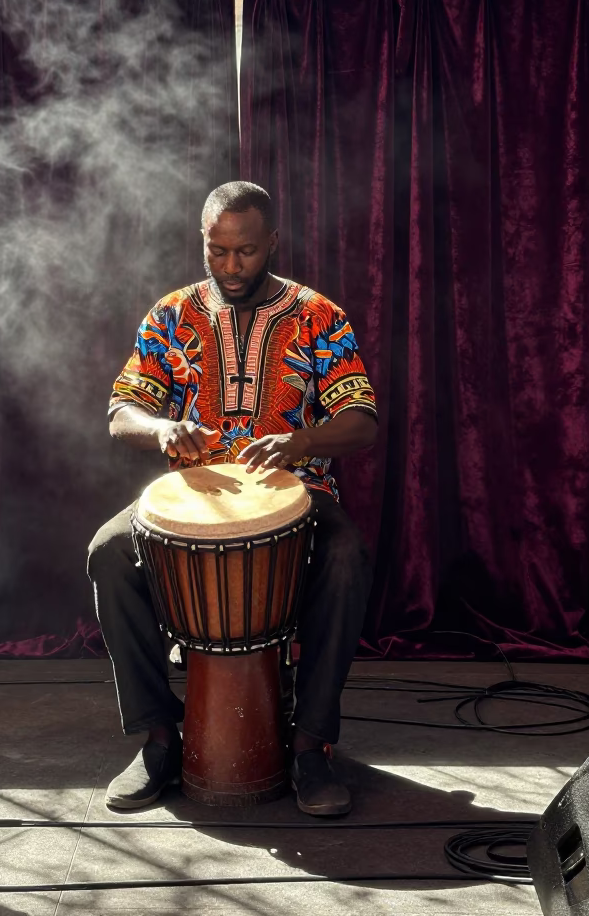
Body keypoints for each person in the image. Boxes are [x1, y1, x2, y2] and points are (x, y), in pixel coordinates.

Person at [88, 181, 377, 816]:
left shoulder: (318, 316)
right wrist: (163, 427)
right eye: (216, 251)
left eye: (244, 251)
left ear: (272, 242)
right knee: (107, 552)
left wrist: (301, 441)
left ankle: (309, 746)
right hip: (190, 498)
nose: (230, 266)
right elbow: (121, 410)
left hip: (297, 497)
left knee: (348, 556)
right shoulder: (171, 316)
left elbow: (362, 421)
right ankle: (159, 737)